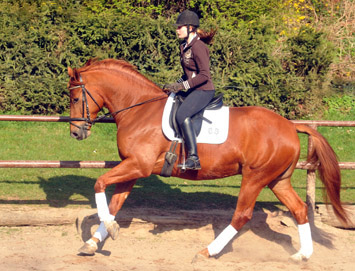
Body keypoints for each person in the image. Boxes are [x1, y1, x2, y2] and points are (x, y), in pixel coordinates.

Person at [164, 10, 216, 170]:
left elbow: (204, 75)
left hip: (204, 90)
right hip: (193, 89)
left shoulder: (198, 47)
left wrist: (183, 86)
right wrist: (176, 83)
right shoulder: (185, 46)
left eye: (180, 27)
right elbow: (188, 73)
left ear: (190, 28)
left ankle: (194, 158)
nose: (177, 30)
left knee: (182, 114)